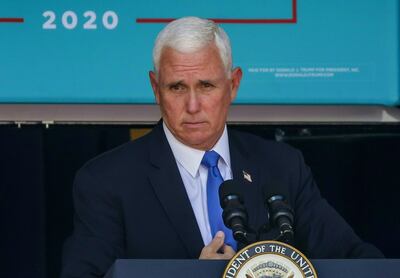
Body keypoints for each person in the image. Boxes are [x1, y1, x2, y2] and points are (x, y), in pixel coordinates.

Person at [61, 16, 383, 278]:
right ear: (155, 89)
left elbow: (357, 261)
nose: (192, 104)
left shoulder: (282, 166)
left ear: (234, 85)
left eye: (206, 85)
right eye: (176, 87)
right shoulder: (107, 180)